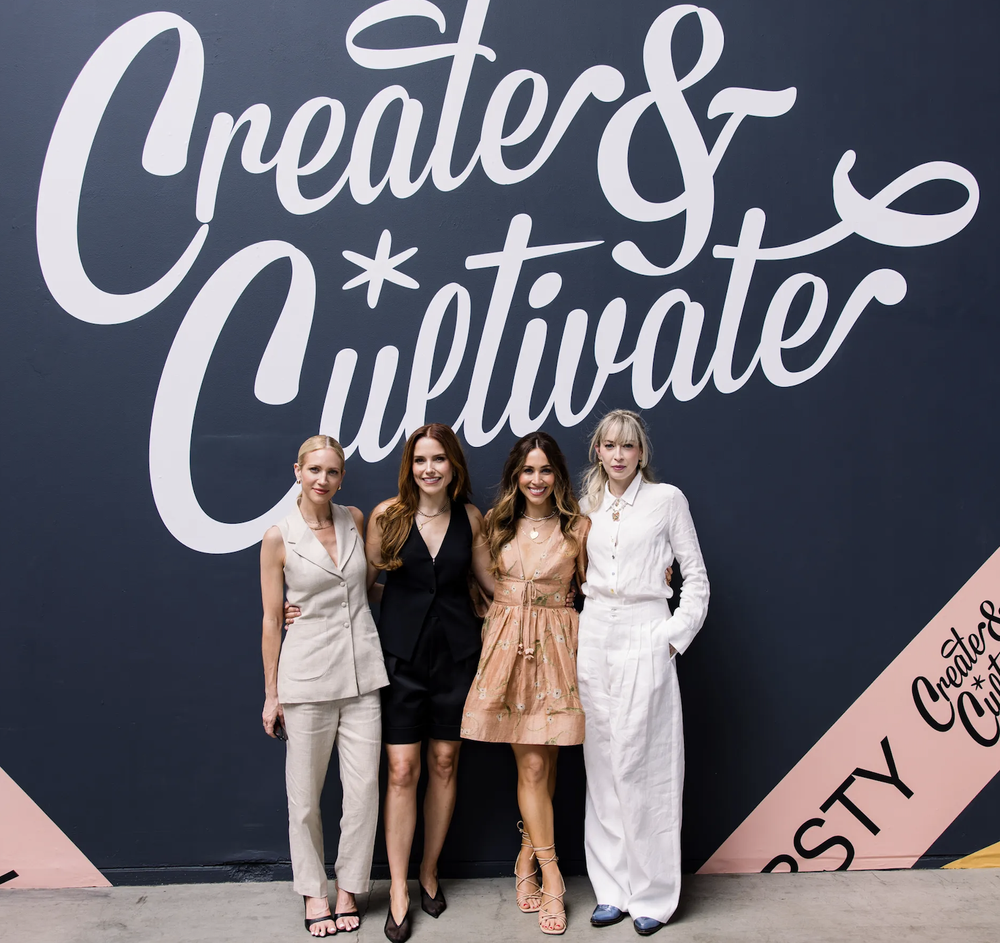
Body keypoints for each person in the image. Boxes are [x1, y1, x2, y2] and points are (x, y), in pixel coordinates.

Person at [576, 409, 710, 937]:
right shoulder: (585, 506)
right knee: (602, 765)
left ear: (641, 453)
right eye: (609, 445)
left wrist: (671, 638)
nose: (618, 455)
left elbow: (695, 577)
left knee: (646, 764)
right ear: (598, 451)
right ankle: (611, 891)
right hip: (594, 634)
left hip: (645, 628)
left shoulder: (666, 500)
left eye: (627, 446)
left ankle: (653, 895)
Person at [366, 424, 493, 943]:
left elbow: (492, 584)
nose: (429, 468)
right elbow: (361, 586)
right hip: (401, 661)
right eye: (420, 460)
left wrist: (559, 590)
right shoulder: (387, 516)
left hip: (457, 660)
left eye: (438, 458)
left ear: (453, 464)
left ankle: (428, 870)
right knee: (401, 770)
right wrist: (304, 607)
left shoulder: (471, 518)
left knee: (444, 763)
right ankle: (398, 887)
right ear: (409, 466)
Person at [260, 435, 389, 937]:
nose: (323, 479)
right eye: (314, 470)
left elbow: (366, 589)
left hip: (362, 675)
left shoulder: (354, 519)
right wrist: (271, 695)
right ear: (297, 471)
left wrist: (423, 591)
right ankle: (315, 892)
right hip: (306, 678)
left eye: (332, 471)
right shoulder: (279, 537)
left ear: (341, 478)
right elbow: (272, 619)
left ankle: (350, 888)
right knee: (306, 799)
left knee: (363, 792)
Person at [461, 431, 589, 937]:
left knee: (548, 762)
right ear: (516, 475)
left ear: (558, 475)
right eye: (528, 470)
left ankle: (524, 859)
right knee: (533, 764)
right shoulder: (495, 523)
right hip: (510, 652)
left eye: (545, 470)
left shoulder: (579, 526)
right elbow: (480, 585)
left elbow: (600, 585)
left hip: (560, 650)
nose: (537, 479)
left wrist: (655, 577)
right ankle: (553, 876)